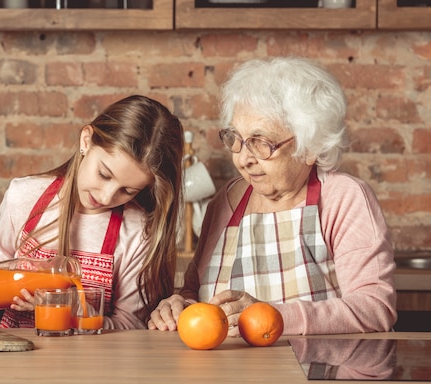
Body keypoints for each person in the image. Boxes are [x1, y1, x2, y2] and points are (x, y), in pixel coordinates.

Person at [148, 57, 397, 336]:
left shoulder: (343, 198)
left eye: (261, 142)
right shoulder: (226, 201)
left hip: (315, 371)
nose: (243, 159)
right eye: (237, 139)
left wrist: (271, 316)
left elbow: (375, 308)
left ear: (310, 146)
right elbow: (197, 292)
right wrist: (179, 305)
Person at [0, 95, 184, 329]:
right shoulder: (25, 196)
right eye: (104, 174)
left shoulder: (137, 231)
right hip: (14, 353)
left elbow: (129, 324)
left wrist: (72, 312)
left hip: (91, 362)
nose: (106, 197)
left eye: (128, 190)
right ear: (86, 140)